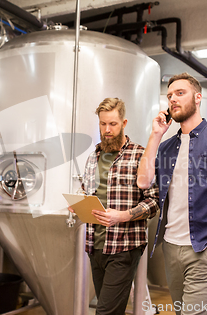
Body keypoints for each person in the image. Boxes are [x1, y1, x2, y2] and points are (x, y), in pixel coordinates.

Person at [137, 73, 207, 315]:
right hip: (171, 247)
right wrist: (155, 135)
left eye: (180, 93)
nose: (173, 100)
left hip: (204, 248)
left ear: (198, 98)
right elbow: (144, 181)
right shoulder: (166, 147)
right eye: (169, 96)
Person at [69, 97, 159, 315]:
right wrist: (78, 203)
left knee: (105, 312)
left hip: (124, 247)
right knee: (109, 309)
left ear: (124, 123)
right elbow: (87, 190)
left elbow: (155, 201)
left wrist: (124, 215)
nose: (107, 130)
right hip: (95, 246)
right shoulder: (93, 157)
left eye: (113, 124)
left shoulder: (140, 155)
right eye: (103, 124)